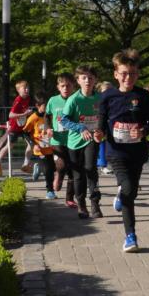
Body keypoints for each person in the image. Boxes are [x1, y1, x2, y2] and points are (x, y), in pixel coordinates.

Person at [95, 49, 149, 253]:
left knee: (132, 191)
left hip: (137, 152)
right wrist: (99, 132)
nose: (127, 77)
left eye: (132, 73)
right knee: (129, 189)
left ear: (137, 74)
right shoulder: (107, 96)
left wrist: (144, 130)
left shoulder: (143, 95)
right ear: (115, 74)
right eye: (123, 73)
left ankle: (123, 194)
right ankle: (130, 236)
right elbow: (102, 121)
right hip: (116, 151)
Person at [60, 65, 103, 219]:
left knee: (90, 168)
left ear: (95, 80)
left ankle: (95, 202)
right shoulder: (74, 99)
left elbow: (104, 118)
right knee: (78, 175)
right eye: (84, 78)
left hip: (92, 139)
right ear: (78, 80)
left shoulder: (100, 98)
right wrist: (80, 128)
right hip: (74, 142)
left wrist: (100, 130)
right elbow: (63, 120)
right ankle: (81, 205)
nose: (87, 81)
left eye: (91, 78)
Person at [0, 80, 34, 176]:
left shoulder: (29, 98)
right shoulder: (18, 100)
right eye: (24, 88)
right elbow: (11, 115)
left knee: (31, 143)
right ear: (18, 90)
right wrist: (24, 114)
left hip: (24, 126)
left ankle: (25, 164)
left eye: (27, 87)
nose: (26, 89)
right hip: (15, 127)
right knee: (10, 146)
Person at [46, 73, 77, 209]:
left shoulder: (77, 99)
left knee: (73, 170)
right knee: (63, 165)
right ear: (58, 87)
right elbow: (47, 116)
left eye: (68, 86)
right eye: (63, 86)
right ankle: (58, 173)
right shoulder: (53, 100)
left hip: (73, 139)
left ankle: (70, 199)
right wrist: (48, 128)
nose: (65, 88)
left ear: (73, 86)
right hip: (57, 140)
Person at [23, 95, 57, 198]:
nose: (47, 108)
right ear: (37, 106)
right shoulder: (33, 118)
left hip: (51, 147)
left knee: (54, 168)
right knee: (48, 170)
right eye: (45, 106)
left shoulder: (50, 116)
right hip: (40, 149)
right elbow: (25, 133)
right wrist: (33, 145)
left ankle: (38, 167)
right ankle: (50, 191)